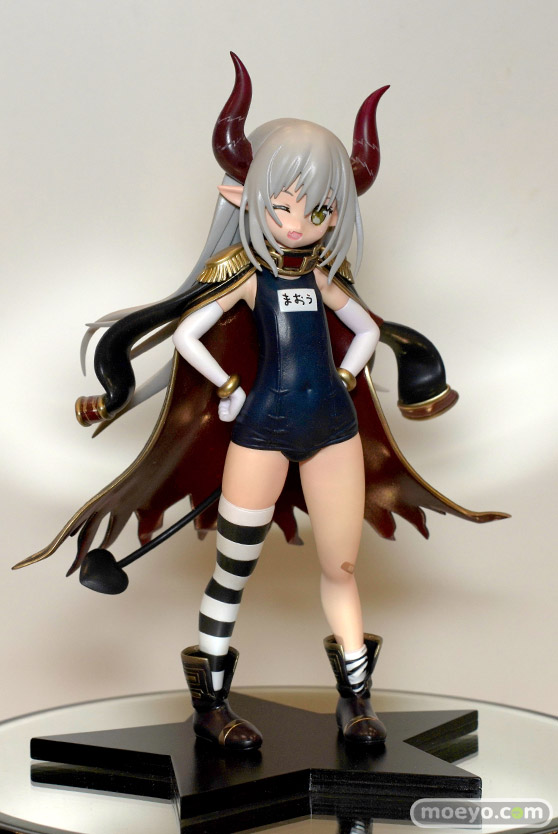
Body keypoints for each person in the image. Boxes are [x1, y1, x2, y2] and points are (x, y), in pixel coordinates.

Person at [13, 54, 507, 752]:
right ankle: (212, 707)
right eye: (281, 205)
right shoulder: (248, 281)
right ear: (245, 198)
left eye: (318, 208)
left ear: (339, 210)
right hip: (261, 435)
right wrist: (225, 386)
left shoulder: (327, 282)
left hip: (332, 432)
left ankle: (357, 703)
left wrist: (349, 373)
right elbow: (187, 335)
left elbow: (367, 329)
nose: (298, 223)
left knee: (341, 568)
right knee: (233, 570)